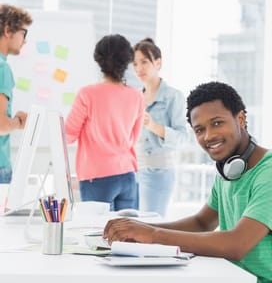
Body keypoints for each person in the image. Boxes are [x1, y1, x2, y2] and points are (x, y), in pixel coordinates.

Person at [104, 81, 272, 283]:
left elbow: (237, 244)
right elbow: (202, 223)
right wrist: (135, 230)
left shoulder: (267, 172)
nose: (209, 136)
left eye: (217, 123)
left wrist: (152, 234)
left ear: (241, 119)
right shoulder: (228, 171)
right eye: (199, 129)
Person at [65, 34, 144, 211]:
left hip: (97, 176)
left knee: (98, 234)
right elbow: (133, 138)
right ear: (127, 61)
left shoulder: (87, 94)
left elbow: (68, 135)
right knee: (128, 235)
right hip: (127, 175)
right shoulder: (137, 95)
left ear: (99, 60)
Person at [132, 38, 187, 217]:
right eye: (135, 64)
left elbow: (182, 138)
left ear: (158, 62)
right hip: (132, 172)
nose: (139, 68)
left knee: (149, 228)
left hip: (158, 171)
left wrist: (152, 125)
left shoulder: (173, 96)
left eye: (144, 62)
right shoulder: (134, 98)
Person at [0, 4, 32, 183]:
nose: (24, 40)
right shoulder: (2, 68)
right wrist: (19, 122)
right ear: (7, 30)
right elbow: (1, 125)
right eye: (23, 33)